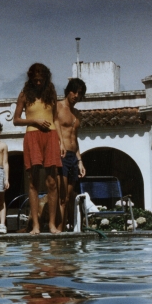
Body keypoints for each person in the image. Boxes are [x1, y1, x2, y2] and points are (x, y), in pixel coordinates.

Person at [13, 63, 64, 235]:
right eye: (35, 79)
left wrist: (61, 141)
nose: (38, 82)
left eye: (41, 79)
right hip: (32, 136)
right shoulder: (24, 95)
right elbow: (16, 119)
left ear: (46, 77)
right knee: (33, 181)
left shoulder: (51, 94)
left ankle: (51, 225)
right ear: (30, 78)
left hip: (50, 136)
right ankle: (35, 226)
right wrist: (34, 121)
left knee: (52, 182)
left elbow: (55, 118)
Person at [56, 78, 87, 231]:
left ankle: (67, 231)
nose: (76, 95)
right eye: (74, 92)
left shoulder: (77, 114)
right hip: (61, 155)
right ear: (68, 91)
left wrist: (80, 160)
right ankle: (59, 232)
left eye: (79, 93)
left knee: (69, 198)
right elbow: (53, 132)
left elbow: (75, 139)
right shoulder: (58, 107)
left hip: (74, 157)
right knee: (62, 197)